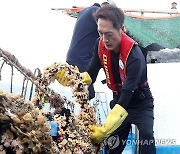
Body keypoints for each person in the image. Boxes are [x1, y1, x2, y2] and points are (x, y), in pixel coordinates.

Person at [56, 5, 156, 154]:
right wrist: (72, 79)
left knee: (146, 140)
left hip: (139, 103)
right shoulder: (100, 45)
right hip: (118, 101)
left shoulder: (134, 56)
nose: (105, 40)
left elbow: (126, 96)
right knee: (111, 148)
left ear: (122, 29)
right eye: (100, 33)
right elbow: (90, 75)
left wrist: (104, 129)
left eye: (109, 34)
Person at [66, 3, 101, 100]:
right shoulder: (96, 11)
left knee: (81, 89)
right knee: (87, 93)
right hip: (82, 59)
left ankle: (82, 112)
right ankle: (84, 114)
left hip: (72, 57)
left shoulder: (82, 12)